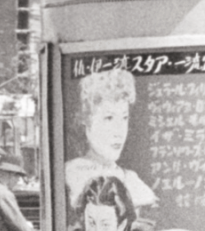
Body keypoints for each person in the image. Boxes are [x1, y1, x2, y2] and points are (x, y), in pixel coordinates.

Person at [65, 66, 156, 217]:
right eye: (109, 118)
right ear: (85, 120)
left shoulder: (132, 179)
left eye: (124, 118)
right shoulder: (71, 173)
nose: (119, 131)